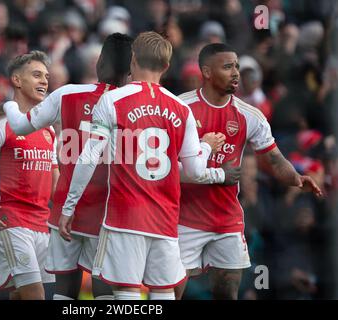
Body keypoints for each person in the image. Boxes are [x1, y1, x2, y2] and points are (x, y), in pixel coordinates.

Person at [59, 31, 225, 300]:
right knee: (163, 294)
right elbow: (195, 171)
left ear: (133, 59)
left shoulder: (112, 101)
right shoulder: (182, 109)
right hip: (165, 220)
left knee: (126, 294)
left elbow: (89, 157)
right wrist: (207, 146)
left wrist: (69, 206)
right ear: (166, 66)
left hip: (124, 219)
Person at [175, 43, 323, 300]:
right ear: (207, 72)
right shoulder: (181, 108)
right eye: (227, 67)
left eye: (237, 67)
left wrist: (296, 178)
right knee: (172, 292)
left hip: (227, 220)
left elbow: (275, 159)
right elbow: (167, 163)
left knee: (228, 290)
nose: (235, 73)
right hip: (185, 218)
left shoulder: (249, 115)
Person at [3, 33, 134, 300]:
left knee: (64, 294)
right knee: (105, 292)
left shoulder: (67, 94)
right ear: (131, 70)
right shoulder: (134, 104)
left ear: (99, 64)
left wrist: (7, 104)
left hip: (66, 209)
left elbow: (18, 125)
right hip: (110, 213)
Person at [0, 51, 59, 300]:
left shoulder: (48, 128)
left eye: (46, 77)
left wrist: (69, 209)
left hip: (42, 222)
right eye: (36, 75)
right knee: (35, 294)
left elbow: (54, 177)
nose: (44, 81)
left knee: (21, 294)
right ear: (17, 80)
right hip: (9, 219)